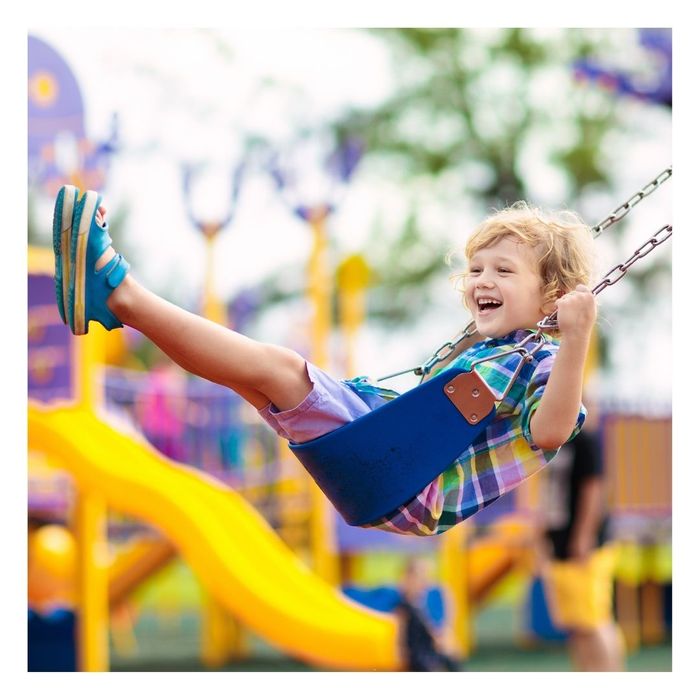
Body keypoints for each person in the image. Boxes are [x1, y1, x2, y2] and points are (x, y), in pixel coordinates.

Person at [53, 185, 596, 536]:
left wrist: (575, 339)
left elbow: (550, 432)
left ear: (553, 297)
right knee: (249, 375)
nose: (483, 280)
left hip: (406, 480)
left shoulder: (543, 362)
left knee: (278, 369)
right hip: (385, 461)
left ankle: (119, 292)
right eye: (476, 269)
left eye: (504, 271)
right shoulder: (488, 353)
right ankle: (114, 305)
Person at [538, 400, 626, 671]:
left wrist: (584, 536)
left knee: (594, 619)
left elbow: (594, 489)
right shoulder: (553, 445)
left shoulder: (585, 441)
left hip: (584, 544)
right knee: (577, 623)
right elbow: (552, 493)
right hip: (561, 541)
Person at [394, 558, 460, 671]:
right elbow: (402, 630)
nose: (425, 581)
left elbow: (445, 618)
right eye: (421, 577)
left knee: (449, 653)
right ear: (409, 578)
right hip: (418, 651)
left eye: (426, 577)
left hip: (429, 646)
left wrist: (443, 634)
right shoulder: (404, 603)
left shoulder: (430, 596)